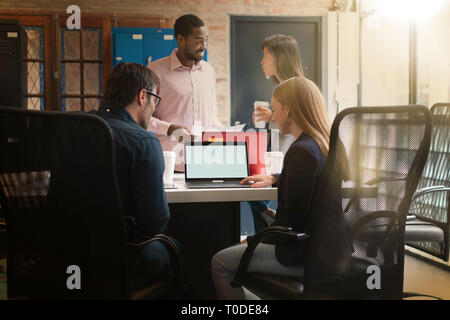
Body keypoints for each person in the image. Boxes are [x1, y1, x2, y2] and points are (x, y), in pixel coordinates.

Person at [211, 76, 337, 300]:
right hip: (327, 249)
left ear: (288, 110)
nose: (273, 115)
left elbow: (289, 225)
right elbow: (312, 180)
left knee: (220, 262)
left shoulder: (301, 151)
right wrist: (274, 177)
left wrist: (252, 240)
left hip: (300, 253)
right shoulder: (323, 145)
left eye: (275, 108)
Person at [92, 62, 179, 290]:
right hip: (122, 255)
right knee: (174, 245)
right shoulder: (142, 141)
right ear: (143, 96)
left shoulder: (74, 127)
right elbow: (154, 222)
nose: (153, 109)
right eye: (155, 100)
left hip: (66, 247)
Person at [147, 14, 223, 172]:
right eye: (198, 41)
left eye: (205, 40)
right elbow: (142, 118)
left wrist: (226, 133)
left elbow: (211, 116)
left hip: (204, 163)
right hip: (169, 165)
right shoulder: (155, 71)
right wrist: (169, 129)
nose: (204, 46)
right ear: (181, 39)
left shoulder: (208, 71)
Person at [249, 34, 305, 232]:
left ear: (280, 58)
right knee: (253, 192)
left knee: (255, 196)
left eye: (266, 55)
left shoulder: (298, 88)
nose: (262, 61)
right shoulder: (281, 87)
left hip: (290, 162)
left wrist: (272, 116)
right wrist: (270, 117)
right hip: (277, 159)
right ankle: (264, 232)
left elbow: (301, 124)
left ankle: (267, 231)